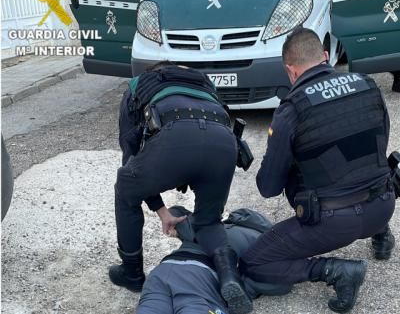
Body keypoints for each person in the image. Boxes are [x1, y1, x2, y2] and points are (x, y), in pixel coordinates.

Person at [239, 28, 396, 313]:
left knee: (254, 262)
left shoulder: (292, 108)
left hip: (333, 224)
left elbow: (268, 187)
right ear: (325, 57)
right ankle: (381, 234)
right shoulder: (367, 84)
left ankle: (334, 271)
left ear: (290, 71)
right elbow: (381, 142)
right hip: (383, 205)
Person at [109, 62, 252, 314]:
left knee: (125, 188)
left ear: (155, 71)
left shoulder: (138, 85)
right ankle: (229, 277)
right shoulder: (205, 84)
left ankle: (131, 272)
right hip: (223, 143)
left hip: (175, 139)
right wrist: (163, 211)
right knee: (209, 221)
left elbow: (131, 158)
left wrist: (160, 208)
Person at [137, 207, 292, 314]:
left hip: (163, 271)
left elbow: (176, 212)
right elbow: (281, 284)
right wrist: (241, 288)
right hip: (199, 279)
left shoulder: (208, 227)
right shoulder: (263, 242)